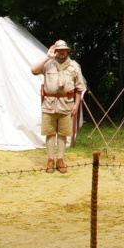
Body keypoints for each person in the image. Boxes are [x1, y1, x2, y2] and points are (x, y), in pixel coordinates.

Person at [31, 39, 86, 173]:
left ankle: (60, 160)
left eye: (64, 51)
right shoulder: (48, 64)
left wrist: (76, 104)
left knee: (63, 133)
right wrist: (47, 57)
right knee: (50, 133)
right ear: (55, 51)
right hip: (49, 104)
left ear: (67, 51)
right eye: (59, 51)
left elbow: (79, 88)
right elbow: (33, 70)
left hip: (66, 103)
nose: (61, 53)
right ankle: (50, 160)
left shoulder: (74, 66)